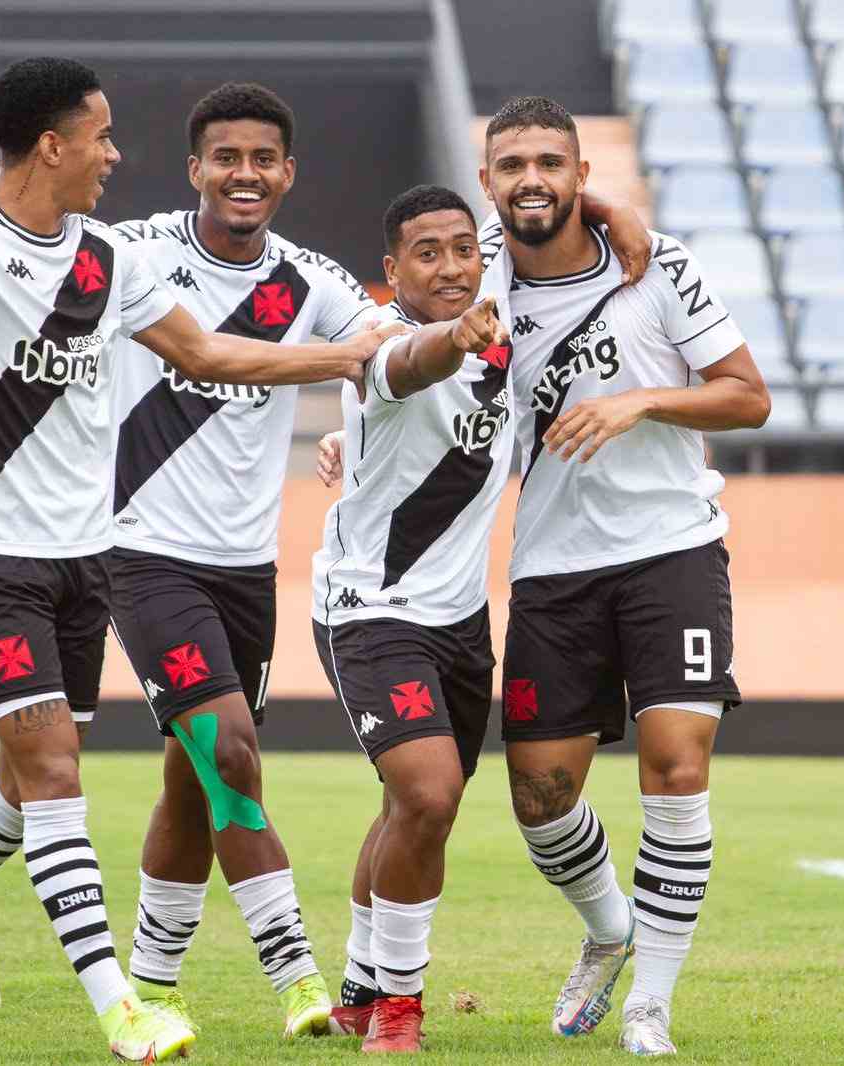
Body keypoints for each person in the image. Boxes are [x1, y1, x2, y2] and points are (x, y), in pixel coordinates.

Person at [0, 57, 400, 1062]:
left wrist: (348, 359)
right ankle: (123, 1003)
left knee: (31, 784)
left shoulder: (108, 262)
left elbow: (208, 355)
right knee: (56, 769)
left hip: (84, 554)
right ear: (51, 145)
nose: (115, 154)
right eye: (102, 135)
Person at [479, 95, 770, 1056]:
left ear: (580, 178)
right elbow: (385, 332)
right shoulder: (473, 281)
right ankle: (611, 931)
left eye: (551, 164)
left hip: (671, 551)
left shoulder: (660, 266)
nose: (533, 179)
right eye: (513, 162)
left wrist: (643, 400)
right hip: (553, 569)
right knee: (540, 794)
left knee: (677, 769)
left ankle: (651, 1002)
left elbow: (748, 396)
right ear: (490, 181)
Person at [103, 82, 381, 1040]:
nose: (245, 175)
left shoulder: (312, 281)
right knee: (229, 753)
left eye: (263, 159)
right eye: (226, 157)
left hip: (244, 568)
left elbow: (386, 350)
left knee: (196, 777)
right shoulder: (136, 254)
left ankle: (154, 984)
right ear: (195, 169)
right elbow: (34, 292)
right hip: (140, 553)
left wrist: (359, 432)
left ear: (288, 173)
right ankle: (299, 982)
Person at [308, 184, 513, 1054]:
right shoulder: (385, 342)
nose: (451, 267)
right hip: (369, 609)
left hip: (461, 618)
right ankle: (400, 1006)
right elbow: (410, 366)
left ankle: (358, 983)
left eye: (463, 249)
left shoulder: (507, 329)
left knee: (415, 807)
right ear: (392, 273)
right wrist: (451, 339)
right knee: (428, 793)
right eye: (426, 253)